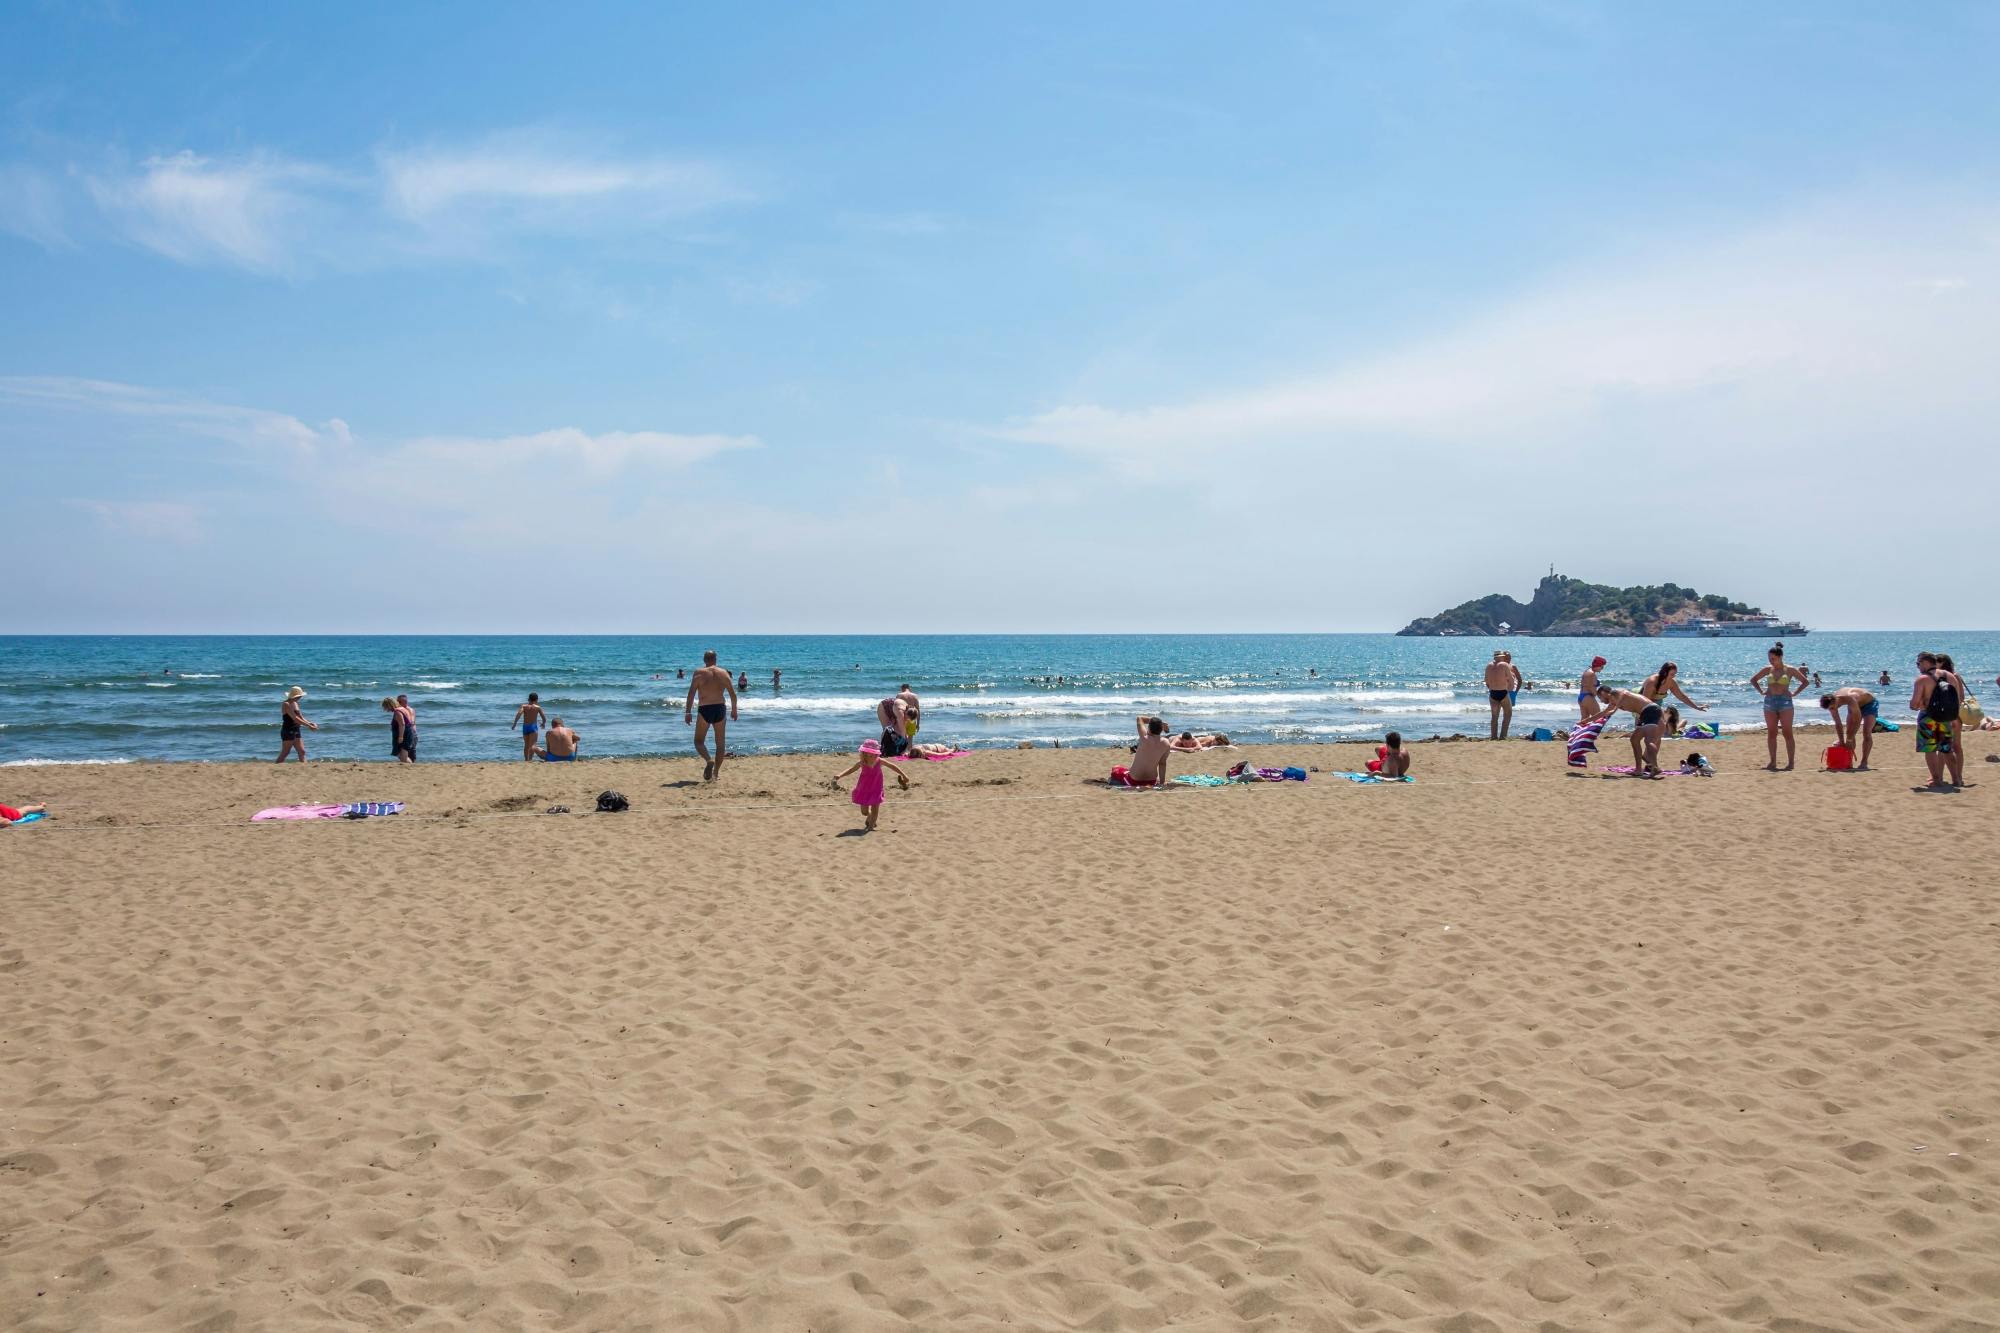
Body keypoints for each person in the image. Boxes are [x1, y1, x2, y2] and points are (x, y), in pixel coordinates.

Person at [830, 739, 910, 832]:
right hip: (863, 789)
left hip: (876, 788)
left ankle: (871, 827)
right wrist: (839, 775)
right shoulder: (862, 762)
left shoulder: (879, 761)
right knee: (864, 812)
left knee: (875, 809)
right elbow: (851, 770)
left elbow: (893, 766)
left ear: (876, 753)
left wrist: (904, 775)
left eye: (873, 753)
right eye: (868, 753)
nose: (870, 755)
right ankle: (869, 816)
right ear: (864, 753)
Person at [1749, 643, 1807, 770]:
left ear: (1780, 657)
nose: (1771, 661)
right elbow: (1753, 680)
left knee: (1787, 733)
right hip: (1769, 702)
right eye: (1769, 659)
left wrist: (1795, 693)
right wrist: (1762, 691)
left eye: (1773, 659)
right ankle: (1773, 762)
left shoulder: (1790, 670)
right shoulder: (1767, 669)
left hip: (1785, 702)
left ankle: (1791, 763)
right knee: (1771, 733)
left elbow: (1805, 682)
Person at [685, 652, 739, 780]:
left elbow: (691, 693)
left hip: (705, 708)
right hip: (720, 708)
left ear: (704, 659)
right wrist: (734, 710)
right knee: (720, 744)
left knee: (698, 741)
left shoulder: (699, 673)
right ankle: (716, 774)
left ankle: (709, 760)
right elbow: (732, 694)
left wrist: (688, 712)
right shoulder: (723, 673)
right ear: (715, 659)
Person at [1911, 652, 1959, 787]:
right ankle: (1956, 779)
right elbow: (1957, 699)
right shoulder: (1949, 676)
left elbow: (1914, 704)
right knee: (1947, 749)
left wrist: (1917, 704)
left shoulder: (1922, 679)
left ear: (1926, 663)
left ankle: (1936, 779)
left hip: (1928, 717)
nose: (1918, 667)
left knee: (1930, 749)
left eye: (1918, 663)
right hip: (1946, 717)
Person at [1818, 688, 1878, 770]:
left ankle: (1864, 762)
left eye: (1832, 708)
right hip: (1854, 706)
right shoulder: (1831, 703)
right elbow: (1838, 723)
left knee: (1866, 732)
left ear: (1835, 701)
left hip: (1869, 703)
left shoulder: (1851, 698)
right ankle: (1848, 761)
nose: (1832, 710)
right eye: (1830, 709)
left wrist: (1849, 740)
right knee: (1849, 732)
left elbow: (1857, 721)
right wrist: (1842, 741)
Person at [1118, 715, 1174, 786]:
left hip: (1134, 780)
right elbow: (1162, 764)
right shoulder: (1166, 744)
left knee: (1116, 769)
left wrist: (1161, 722)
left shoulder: (1144, 738)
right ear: (1161, 729)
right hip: (1151, 781)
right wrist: (1162, 783)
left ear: (1149, 728)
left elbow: (1139, 718)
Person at [1639, 662, 1709, 719]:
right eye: (1672, 674)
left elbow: (1681, 696)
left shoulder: (1671, 682)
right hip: (1641, 703)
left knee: (1660, 724)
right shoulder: (1652, 682)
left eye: (1675, 674)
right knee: (1644, 725)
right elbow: (1645, 701)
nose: (1674, 676)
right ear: (1664, 673)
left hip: (1656, 704)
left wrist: (1696, 707)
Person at [1485, 651, 1523, 739]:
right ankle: (1503, 736)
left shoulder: (1488, 666)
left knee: (1494, 716)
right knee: (1508, 714)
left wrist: (1491, 688)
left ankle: (1493, 737)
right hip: (1503, 692)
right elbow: (1511, 680)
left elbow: (1486, 681)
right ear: (1502, 657)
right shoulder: (1504, 665)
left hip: (1493, 693)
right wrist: (1509, 690)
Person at [278, 686, 317, 762]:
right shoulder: (286, 704)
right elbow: (295, 718)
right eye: (299, 696)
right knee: (285, 752)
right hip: (288, 730)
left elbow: (301, 717)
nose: (300, 697)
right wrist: (309, 726)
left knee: (302, 751)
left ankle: (304, 767)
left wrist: (310, 723)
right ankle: (276, 767)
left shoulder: (295, 703)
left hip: (296, 729)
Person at [509, 692, 546, 761]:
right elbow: (544, 718)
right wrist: (543, 723)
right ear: (536, 700)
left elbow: (519, 714)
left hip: (525, 727)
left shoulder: (524, 706)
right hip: (533, 727)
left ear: (528, 699)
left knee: (526, 745)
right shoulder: (537, 707)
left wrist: (514, 724)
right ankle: (530, 760)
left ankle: (526, 760)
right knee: (532, 745)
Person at [382, 697, 417, 763]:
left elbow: (402, 724)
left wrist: (401, 737)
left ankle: (410, 766)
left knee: (403, 756)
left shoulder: (397, 711)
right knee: (401, 754)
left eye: (386, 707)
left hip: (404, 734)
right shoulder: (403, 709)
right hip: (408, 733)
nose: (386, 709)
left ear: (389, 705)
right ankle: (410, 766)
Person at [875, 693, 910, 757]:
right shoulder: (900, 712)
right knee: (887, 730)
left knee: (898, 730)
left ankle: (895, 749)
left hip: (894, 707)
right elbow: (902, 732)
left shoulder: (909, 712)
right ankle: (883, 748)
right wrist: (904, 743)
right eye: (907, 718)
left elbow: (904, 730)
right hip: (884, 706)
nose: (907, 720)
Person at [1578, 656, 1607, 721]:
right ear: (1597, 665)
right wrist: (1600, 696)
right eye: (1602, 666)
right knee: (1598, 718)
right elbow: (1592, 690)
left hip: (1581, 697)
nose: (1602, 669)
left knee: (1584, 720)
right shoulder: (1592, 674)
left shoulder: (1587, 671)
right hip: (1588, 697)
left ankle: (1578, 731)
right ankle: (1596, 731)